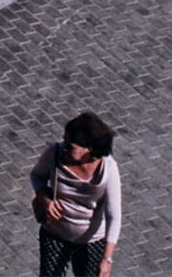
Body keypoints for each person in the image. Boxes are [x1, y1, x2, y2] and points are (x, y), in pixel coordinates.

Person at [30, 112, 121, 277]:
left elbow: (114, 216)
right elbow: (37, 176)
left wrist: (107, 259)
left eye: (70, 145)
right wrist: (45, 200)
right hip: (55, 234)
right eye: (64, 140)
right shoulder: (54, 153)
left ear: (90, 148)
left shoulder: (108, 169)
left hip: (91, 241)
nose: (63, 147)